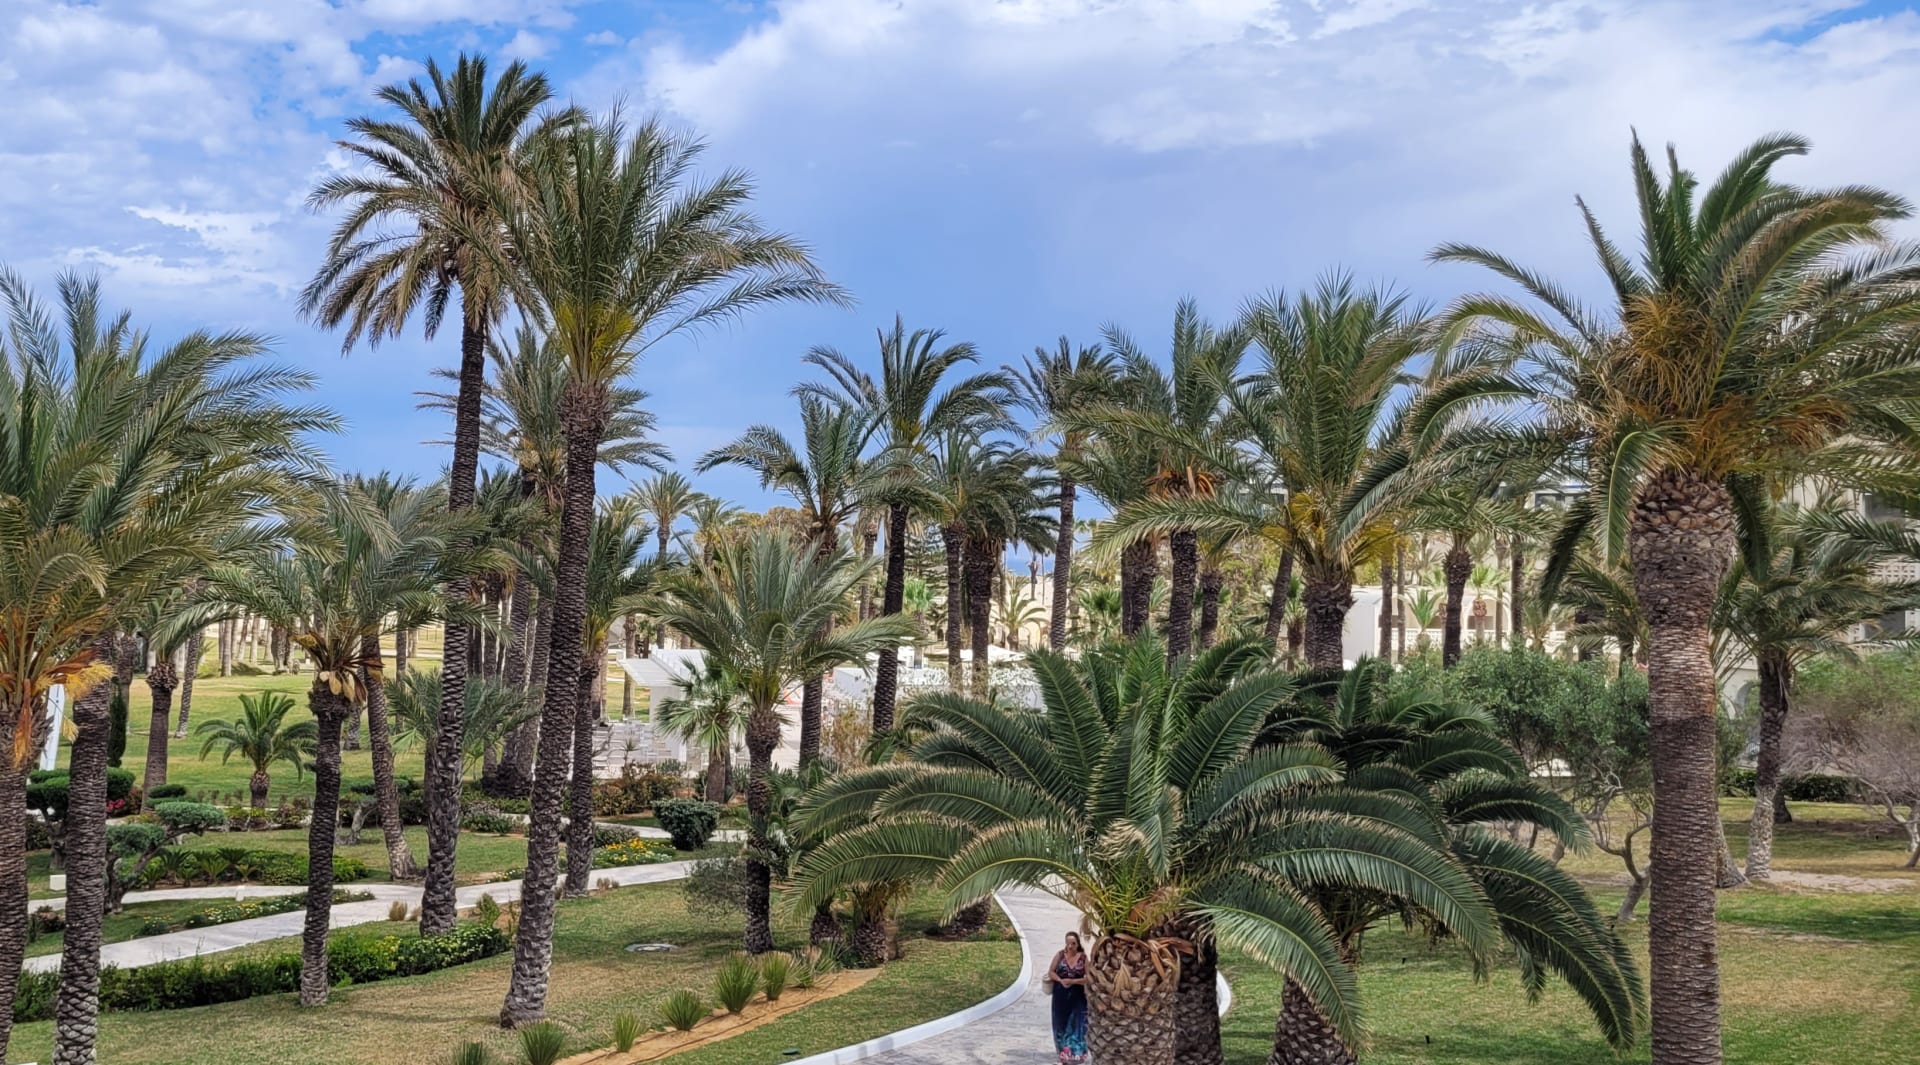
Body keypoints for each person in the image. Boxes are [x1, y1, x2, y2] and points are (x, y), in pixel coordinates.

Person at [1045, 931, 1089, 1064]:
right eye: (1068, 943)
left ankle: (1077, 1053)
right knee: (1061, 1023)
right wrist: (1060, 980)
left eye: (1073, 943)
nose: (1070, 946)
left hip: (1077, 995)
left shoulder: (1083, 958)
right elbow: (1051, 972)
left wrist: (1073, 981)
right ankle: (1063, 1052)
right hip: (1061, 995)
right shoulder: (1060, 955)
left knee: (1078, 1022)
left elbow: (1089, 978)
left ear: (1078, 944)